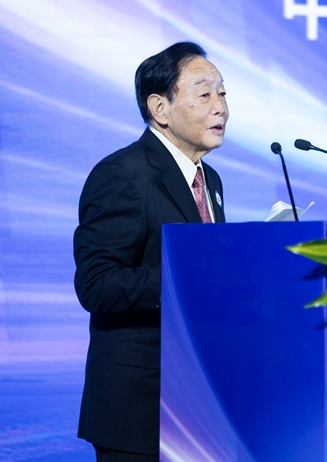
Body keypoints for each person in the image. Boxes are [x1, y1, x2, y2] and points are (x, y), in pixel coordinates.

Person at [73, 41, 228, 461]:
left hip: (198, 401)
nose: (220, 107)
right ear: (160, 108)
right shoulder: (122, 174)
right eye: (204, 94)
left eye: (222, 93)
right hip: (139, 408)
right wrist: (187, 279)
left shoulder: (210, 180)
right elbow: (97, 284)